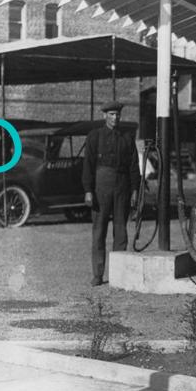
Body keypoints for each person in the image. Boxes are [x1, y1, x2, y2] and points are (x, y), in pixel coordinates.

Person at [82, 101, 140, 286]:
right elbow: (88, 166)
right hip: (101, 187)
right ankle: (98, 274)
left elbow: (133, 167)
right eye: (112, 114)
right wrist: (88, 191)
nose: (115, 118)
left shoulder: (127, 138)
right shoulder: (95, 136)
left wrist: (135, 191)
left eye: (118, 115)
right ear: (105, 116)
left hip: (122, 187)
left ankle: (118, 274)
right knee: (99, 231)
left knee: (121, 230)